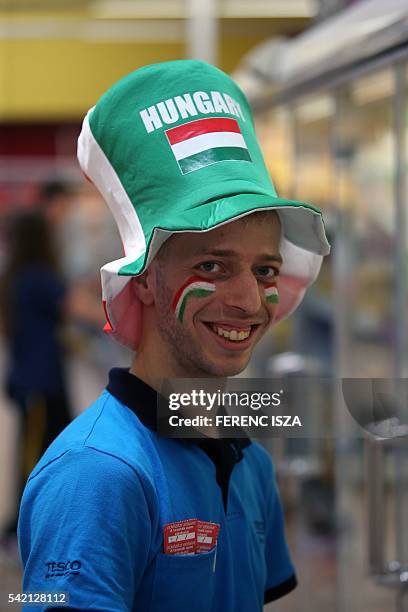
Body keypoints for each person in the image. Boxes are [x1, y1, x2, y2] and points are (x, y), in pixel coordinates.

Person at [18, 60, 330, 611]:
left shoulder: (247, 457)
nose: (250, 301)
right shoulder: (95, 475)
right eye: (212, 266)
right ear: (143, 283)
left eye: (265, 270)